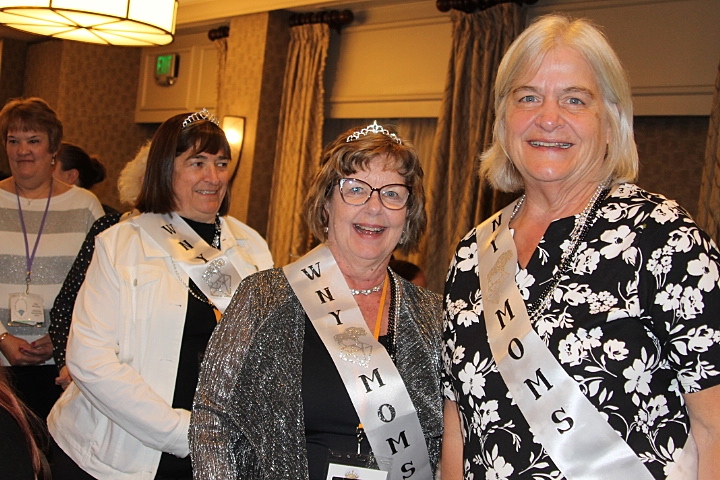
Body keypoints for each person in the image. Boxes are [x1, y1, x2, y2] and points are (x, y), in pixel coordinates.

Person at [441, 14, 720, 480]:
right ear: (503, 120)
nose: (549, 118)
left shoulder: (664, 237)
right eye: (528, 97)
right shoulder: (472, 253)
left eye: (574, 99)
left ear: (610, 122)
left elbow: (715, 428)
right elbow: (459, 429)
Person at [190, 122, 443, 479]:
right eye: (355, 189)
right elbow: (211, 418)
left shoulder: (434, 316)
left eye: (392, 194)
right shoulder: (263, 298)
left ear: (408, 212)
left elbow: (454, 436)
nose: (374, 208)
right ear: (326, 204)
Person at [47, 109, 274, 480]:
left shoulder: (250, 246)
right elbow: (90, 358)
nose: (213, 177)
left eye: (221, 163)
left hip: (214, 453)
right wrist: (181, 432)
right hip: (112, 455)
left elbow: (265, 350)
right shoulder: (121, 244)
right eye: (197, 163)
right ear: (165, 168)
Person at [0, 97, 103, 423]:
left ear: (53, 148)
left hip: (63, 367)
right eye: (13, 141)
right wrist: (2, 338)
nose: (22, 151)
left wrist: (62, 338)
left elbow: (101, 285)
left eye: (33, 141)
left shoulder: (85, 206)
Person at [48, 141, 150, 390]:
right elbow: (67, 305)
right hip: (100, 374)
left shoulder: (205, 243)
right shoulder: (109, 228)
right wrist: (66, 362)